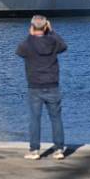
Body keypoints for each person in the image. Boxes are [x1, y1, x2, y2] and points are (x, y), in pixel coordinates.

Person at [16, 15, 68, 160]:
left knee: (35, 119)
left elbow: (19, 51)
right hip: (52, 85)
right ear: (46, 27)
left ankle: (34, 150)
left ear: (32, 27)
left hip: (34, 86)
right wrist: (51, 31)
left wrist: (31, 35)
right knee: (56, 118)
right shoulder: (53, 41)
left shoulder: (28, 44)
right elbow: (64, 46)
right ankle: (59, 150)